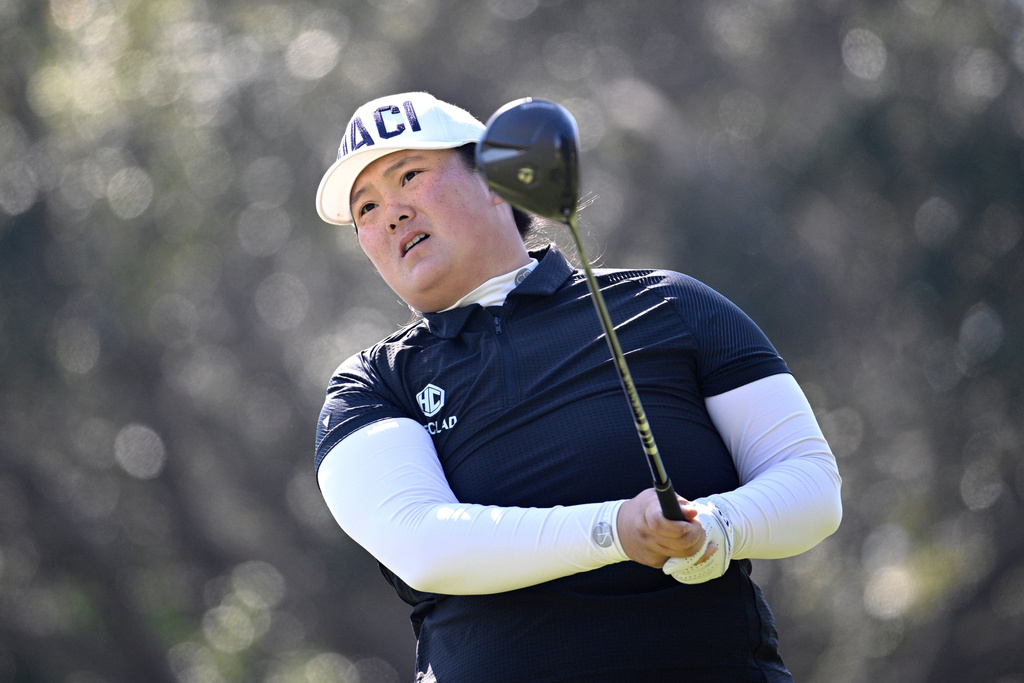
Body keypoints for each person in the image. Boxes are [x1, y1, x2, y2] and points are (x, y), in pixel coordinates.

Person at [313, 91, 842, 682]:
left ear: (496, 179)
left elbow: (812, 484)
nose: (391, 212)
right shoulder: (371, 387)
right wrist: (617, 530)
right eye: (365, 208)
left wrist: (714, 528)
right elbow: (424, 546)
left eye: (409, 176)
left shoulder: (669, 305)